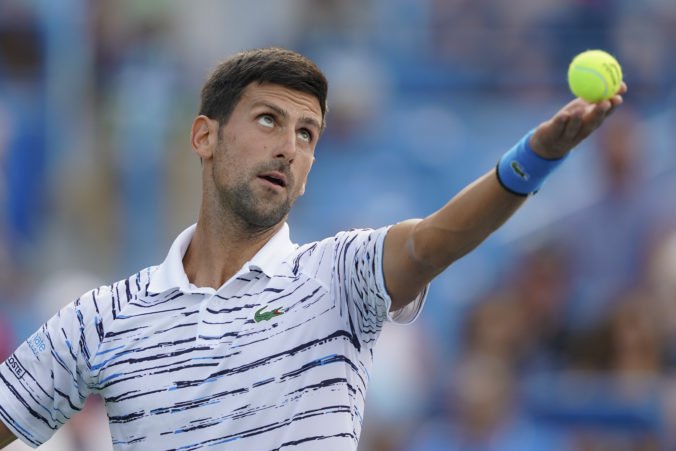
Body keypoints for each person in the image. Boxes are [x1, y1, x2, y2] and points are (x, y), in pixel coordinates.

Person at [0, 47, 626, 450]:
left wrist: (535, 158)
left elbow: (436, 241)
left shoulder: (340, 274)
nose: (289, 147)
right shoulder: (102, 316)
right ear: (204, 136)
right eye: (269, 120)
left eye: (307, 133)